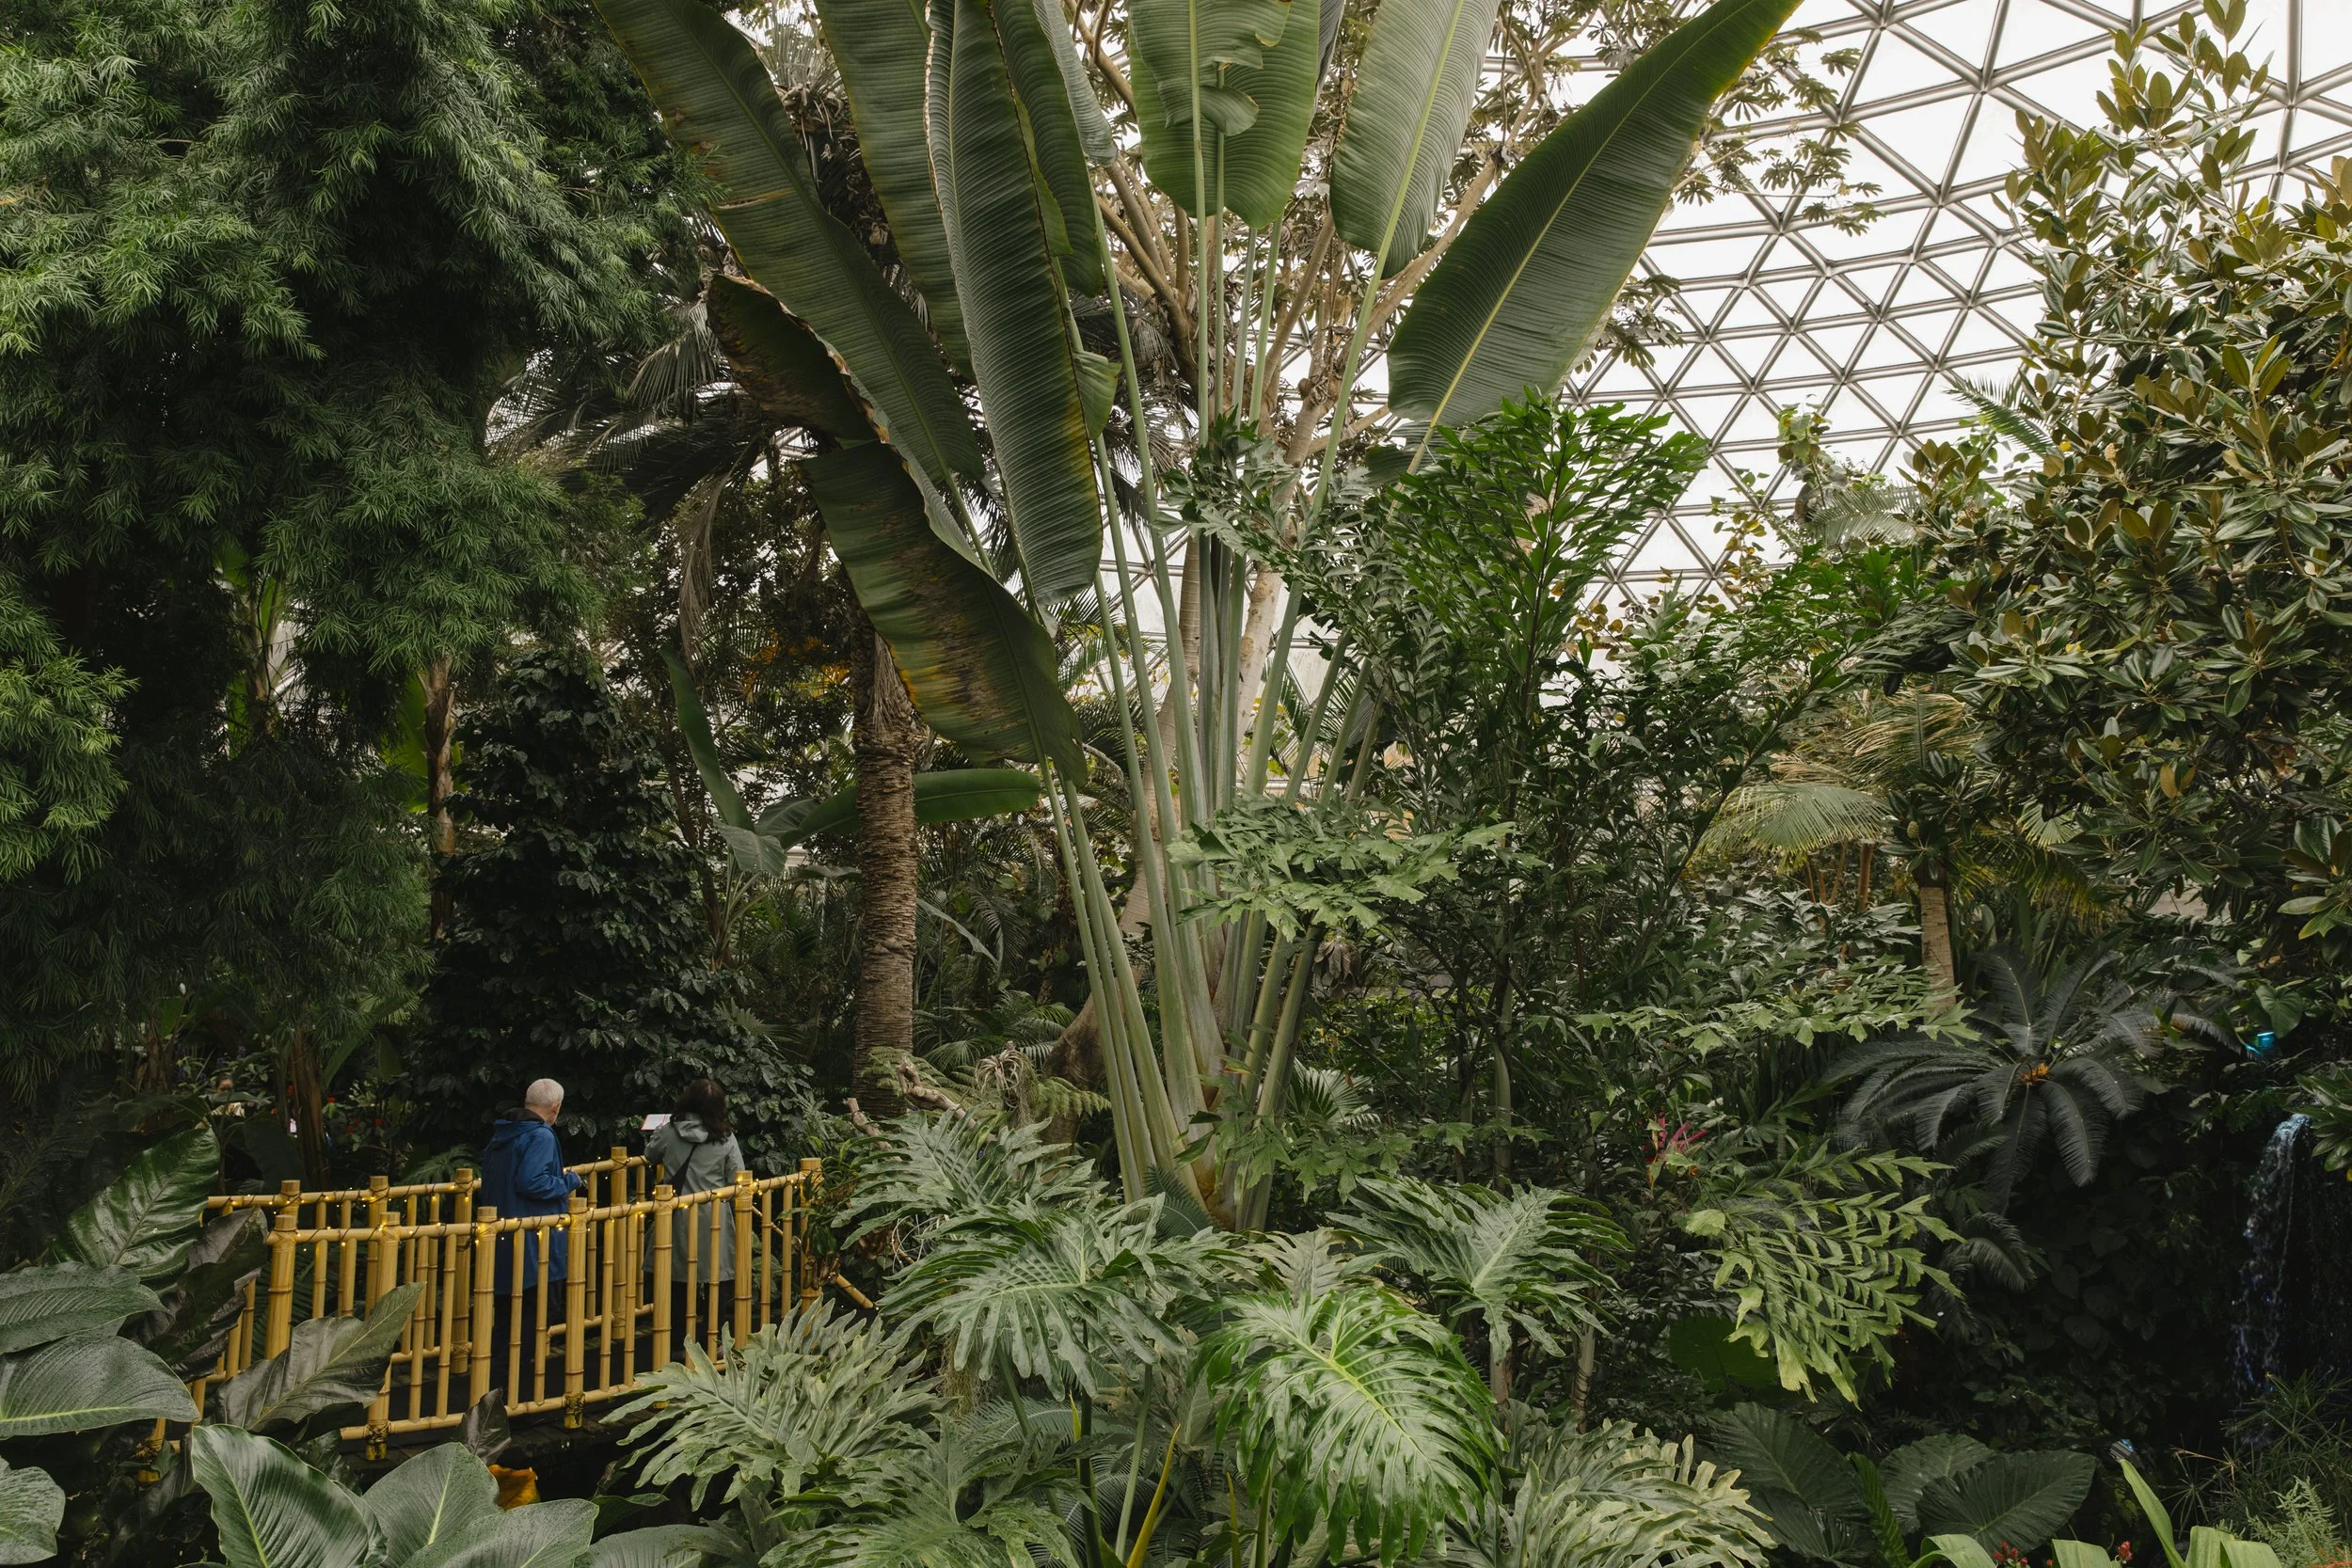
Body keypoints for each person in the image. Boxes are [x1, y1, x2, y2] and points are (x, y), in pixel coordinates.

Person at [480, 1078, 582, 1398]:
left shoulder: (503, 1133)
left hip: (503, 1242)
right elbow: (532, 1181)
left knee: (507, 1323)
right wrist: (569, 1182)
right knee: (532, 1322)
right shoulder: (539, 1135)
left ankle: (495, 1395)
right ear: (556, 1107)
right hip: (534, 1247)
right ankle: (515, 1398)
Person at [644, 1078, 746, 1358]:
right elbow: (737, 1175)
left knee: (677, 1281)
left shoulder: (668, 1131)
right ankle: (714, 1343)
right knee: (717, 1280)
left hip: (676, 1216)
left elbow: (650, 1154)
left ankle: (676, 1344)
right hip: (714, 1216)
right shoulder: (726, 1137)